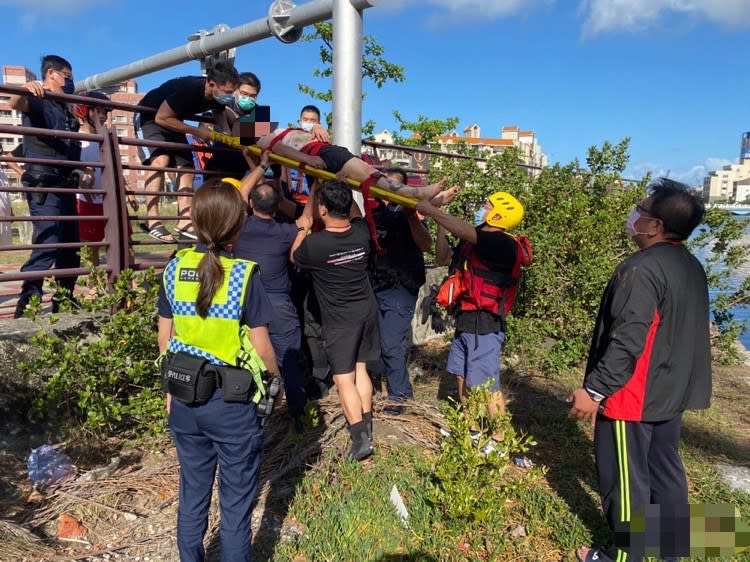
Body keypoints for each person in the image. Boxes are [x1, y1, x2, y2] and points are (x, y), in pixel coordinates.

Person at [567, 179, 711, 562]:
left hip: (632, 396)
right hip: (670, 393)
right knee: (665, 473)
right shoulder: (691, 264)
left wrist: (594, 391)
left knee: (626, 483)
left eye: (642, 210)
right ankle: (670, 551)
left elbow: (629, 340)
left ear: (656, 226)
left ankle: (623, 556)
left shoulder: (641, 270)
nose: (636, 215)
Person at [157, 178, 280, 562]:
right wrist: (275, 385)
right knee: (235, 506)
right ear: (238, 224)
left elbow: (166, 340)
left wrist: (169, 393)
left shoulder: (175, 268)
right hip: (232, 403)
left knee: (192, 494)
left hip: (184, 397)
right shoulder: (244, 276)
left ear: (194, 219)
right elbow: (262, 349)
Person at [418, 191, 528, 451]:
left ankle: (500, 440)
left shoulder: (502, 243)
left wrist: (434, 210)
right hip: (466, 318)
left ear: (499, 214)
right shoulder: (475, 241)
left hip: (486, 325)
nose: (482, 209)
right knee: (461, 374)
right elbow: (443, 258)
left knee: (487, 384)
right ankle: (472, 428)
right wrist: (440, 227)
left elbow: (468, 231)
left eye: (486, 206)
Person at [291, 180, 378, 460]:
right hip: (366, 310)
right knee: (361, 369)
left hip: (340, 320)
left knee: (343, 379)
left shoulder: (315, 245)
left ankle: (359, 441)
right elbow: (355, 213)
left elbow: (294, 256)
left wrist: (304, 225)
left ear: (323, 210)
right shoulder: (362, 233)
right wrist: (344, 186)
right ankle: (367, 427)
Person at [233, 151, 309, 431]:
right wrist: (321, 185)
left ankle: (255, 414)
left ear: (251, 206)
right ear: (277, 208)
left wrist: (262, 165)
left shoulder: (239, 225)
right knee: (289, 359)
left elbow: (242, 190)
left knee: (247, 359)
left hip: (243, 300)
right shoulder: (287, 231)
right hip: (278, 304)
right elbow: (307, 219)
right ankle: (299, 418)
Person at [134, 61, 240, 242]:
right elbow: (161, 117)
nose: (231, 97)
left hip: (173, 120)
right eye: (228, 93)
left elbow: (220, 114)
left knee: (187, 169)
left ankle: (184, 221)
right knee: (161, 160)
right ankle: (153, 220)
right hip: (149, 117)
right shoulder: (189, 89)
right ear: (212, 85)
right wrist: (197, 131)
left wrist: (228, 136)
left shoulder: (220, 98)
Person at [9, 54, 82, 318]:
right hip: (43, 183)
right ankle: (28, 304)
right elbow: (15, 103)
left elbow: (70, 151)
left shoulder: (66, 109)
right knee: (48, 241)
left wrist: (81, 171)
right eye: (67, 77)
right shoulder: (40, 100)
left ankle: (64, 300)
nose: (69, 83)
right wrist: (24, 89)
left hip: (65, 185)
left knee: (72, 246)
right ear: (51, 73)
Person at [369, 168, 433, 401]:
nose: (389, 191)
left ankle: (400, 395)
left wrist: (410, 215)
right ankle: (379, 386)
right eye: (386, 185)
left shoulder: (409, 213)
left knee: (392, 344)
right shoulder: (375, 212)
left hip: (400, 287)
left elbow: (426, 244)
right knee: (378, 342)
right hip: (377, 285)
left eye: (395, 187)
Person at [255, 127, 447, 203]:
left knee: (368, 178)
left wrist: (315, 127)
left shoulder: (278, 128)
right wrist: (307, 160)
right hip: (317, 154)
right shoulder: (262, 138)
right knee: (367, 174)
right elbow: (278, 148)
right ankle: (417, 194)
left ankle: (421, 198)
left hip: (320, 152)